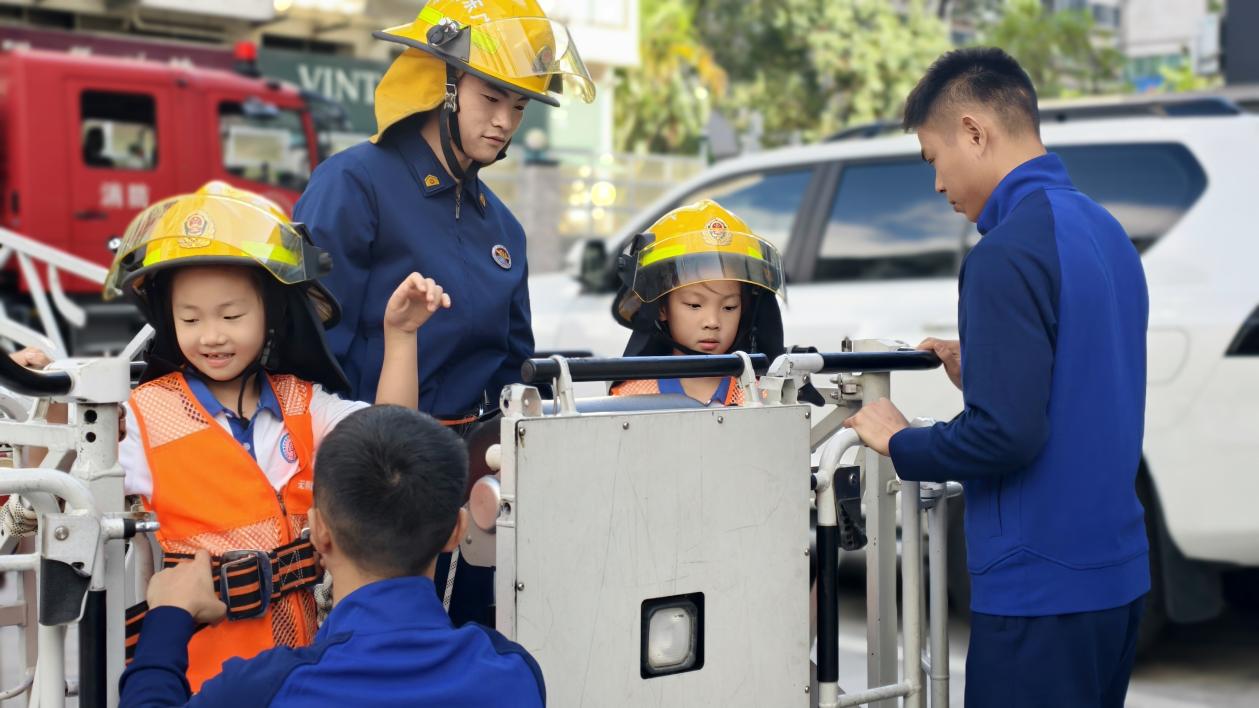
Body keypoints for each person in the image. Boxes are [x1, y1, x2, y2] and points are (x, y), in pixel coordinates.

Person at [842, 48, 1149, 708]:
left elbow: (1004, 438)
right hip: (1115, 578)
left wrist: (898, 440)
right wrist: (985, 372)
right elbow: (1084, 391)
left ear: (973, 131)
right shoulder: (1106, 232)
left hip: (1038, 590)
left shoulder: (1005, 254)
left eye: (932, 158)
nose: (936, 184)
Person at [293, 0, 595, 626]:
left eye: (519, 106)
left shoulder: (504, 225)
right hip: (366, 485)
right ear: (444, 84)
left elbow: (515, 371)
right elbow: (308, 349)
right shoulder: (353, 181)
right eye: (492, 97)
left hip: (474, 490)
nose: (506, 121)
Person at [101, 181, 450, 690]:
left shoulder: (303, 404)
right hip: (198, 682)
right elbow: (65, 498)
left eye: (232, 314)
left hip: (298, 674)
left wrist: (401, 337)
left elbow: (389, 443)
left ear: (271, 313)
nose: (212, 334)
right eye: (189, 318)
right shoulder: (142, 416)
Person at [118, 405, 545, 707]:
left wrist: (169, 616)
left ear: (319, 531)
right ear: (457, 531)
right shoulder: (513, 674)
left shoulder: (266, 689)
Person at [608, 199, 788, 405]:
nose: (712, 321)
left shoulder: (761, 396)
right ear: (661, 308)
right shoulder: (633, 397)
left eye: (729, 307)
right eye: (694, 305)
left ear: (745, 310)